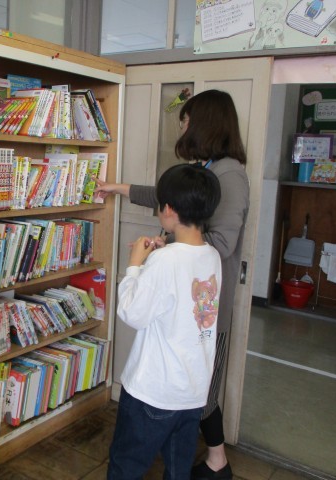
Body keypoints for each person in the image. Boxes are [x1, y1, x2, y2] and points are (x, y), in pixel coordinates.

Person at [97, 89, 250, 480]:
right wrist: (118, 188)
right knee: (182, 440)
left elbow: (220, 241)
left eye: (186, 120)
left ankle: (218, 462)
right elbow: (172, 199)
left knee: (133, 456)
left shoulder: (229, 174)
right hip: (184, 375)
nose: (182, 127)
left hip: (195, 319)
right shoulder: (206, 170)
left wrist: (152, 256)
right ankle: (214, 461)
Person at [107, 163, 222, 479]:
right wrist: (159, 255)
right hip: (192, 391)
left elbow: (133, 312)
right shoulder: (211, 255)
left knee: (126, 465)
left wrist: (135, 265)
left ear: (168, 209)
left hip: (153, 391)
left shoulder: (164, 260)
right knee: (177, 468)